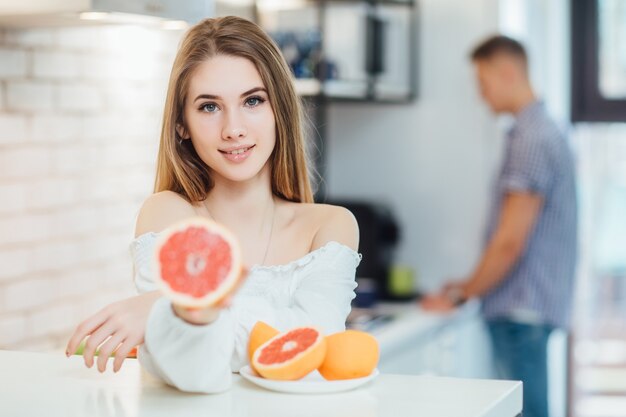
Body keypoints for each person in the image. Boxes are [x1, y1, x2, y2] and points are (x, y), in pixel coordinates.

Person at [65, 16, 360, 394]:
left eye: (252, 101)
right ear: (181, 125)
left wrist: (166, 309)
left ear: (279, 111)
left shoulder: (330, 225)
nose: (233, 128)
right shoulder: (167, 213)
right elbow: (192, 369)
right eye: (209, 107)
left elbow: (313, 342)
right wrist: (183, 314)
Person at [421, 35, 577, 417]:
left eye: (482, 83)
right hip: (529, 309)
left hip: (520, 312)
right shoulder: (543, 131)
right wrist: (469, 282)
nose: (481, 96)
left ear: (507, 73)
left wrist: (462, 295)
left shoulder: (531, 140)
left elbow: (510, 241)